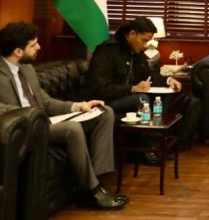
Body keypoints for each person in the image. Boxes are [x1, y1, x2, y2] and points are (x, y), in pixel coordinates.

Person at [0, 21, 127, 210]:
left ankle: (99, 178)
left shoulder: (27, 69)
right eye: (33, 45)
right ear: (18, 51)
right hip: (25, 128)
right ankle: (91, 191)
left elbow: (46, 102)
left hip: (47, 121)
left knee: (104, 112)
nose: (39, 47)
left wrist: (79, 106)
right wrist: (31, 115)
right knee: (72, 129)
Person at [85, 17, 200, 152]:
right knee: (142, 99)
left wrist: (169, 80)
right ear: (132, 34)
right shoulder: (106, 51)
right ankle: (149, 147)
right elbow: (100, 89)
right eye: (144, 40)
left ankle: (159, 144)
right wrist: (132, 88)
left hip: (129, 97)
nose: (145, 45)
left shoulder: (136, 51)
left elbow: (150, 74)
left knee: (175, 97)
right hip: (106, 101)